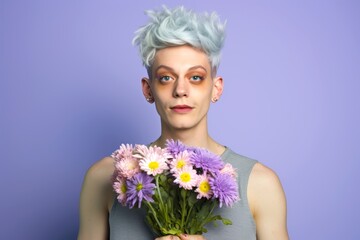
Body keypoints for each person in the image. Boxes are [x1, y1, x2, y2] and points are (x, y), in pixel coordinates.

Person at [78, 5, 289, 240]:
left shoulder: (260, 184)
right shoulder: (104, 178)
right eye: (166, 78)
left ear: (216, 88)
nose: (180, 90)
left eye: (195, 78)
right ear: (148, 89)